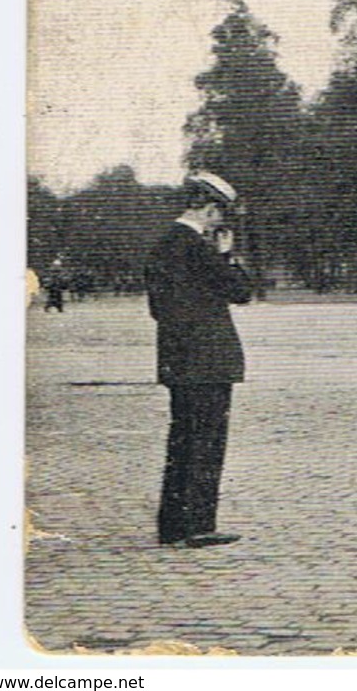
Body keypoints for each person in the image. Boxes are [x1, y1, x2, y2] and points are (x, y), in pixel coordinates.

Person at [146, 171, 252, 548]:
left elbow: (159, 309)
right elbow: (240, 291)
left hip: (178, 359)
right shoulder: (199, 248)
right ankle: (198, 524)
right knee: (206, 443)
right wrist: (227, 256)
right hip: (208, 361)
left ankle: (174, 524)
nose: (220, 225)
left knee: (182, 442)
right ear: (209, 210)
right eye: (220, 216)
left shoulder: (162, 245)